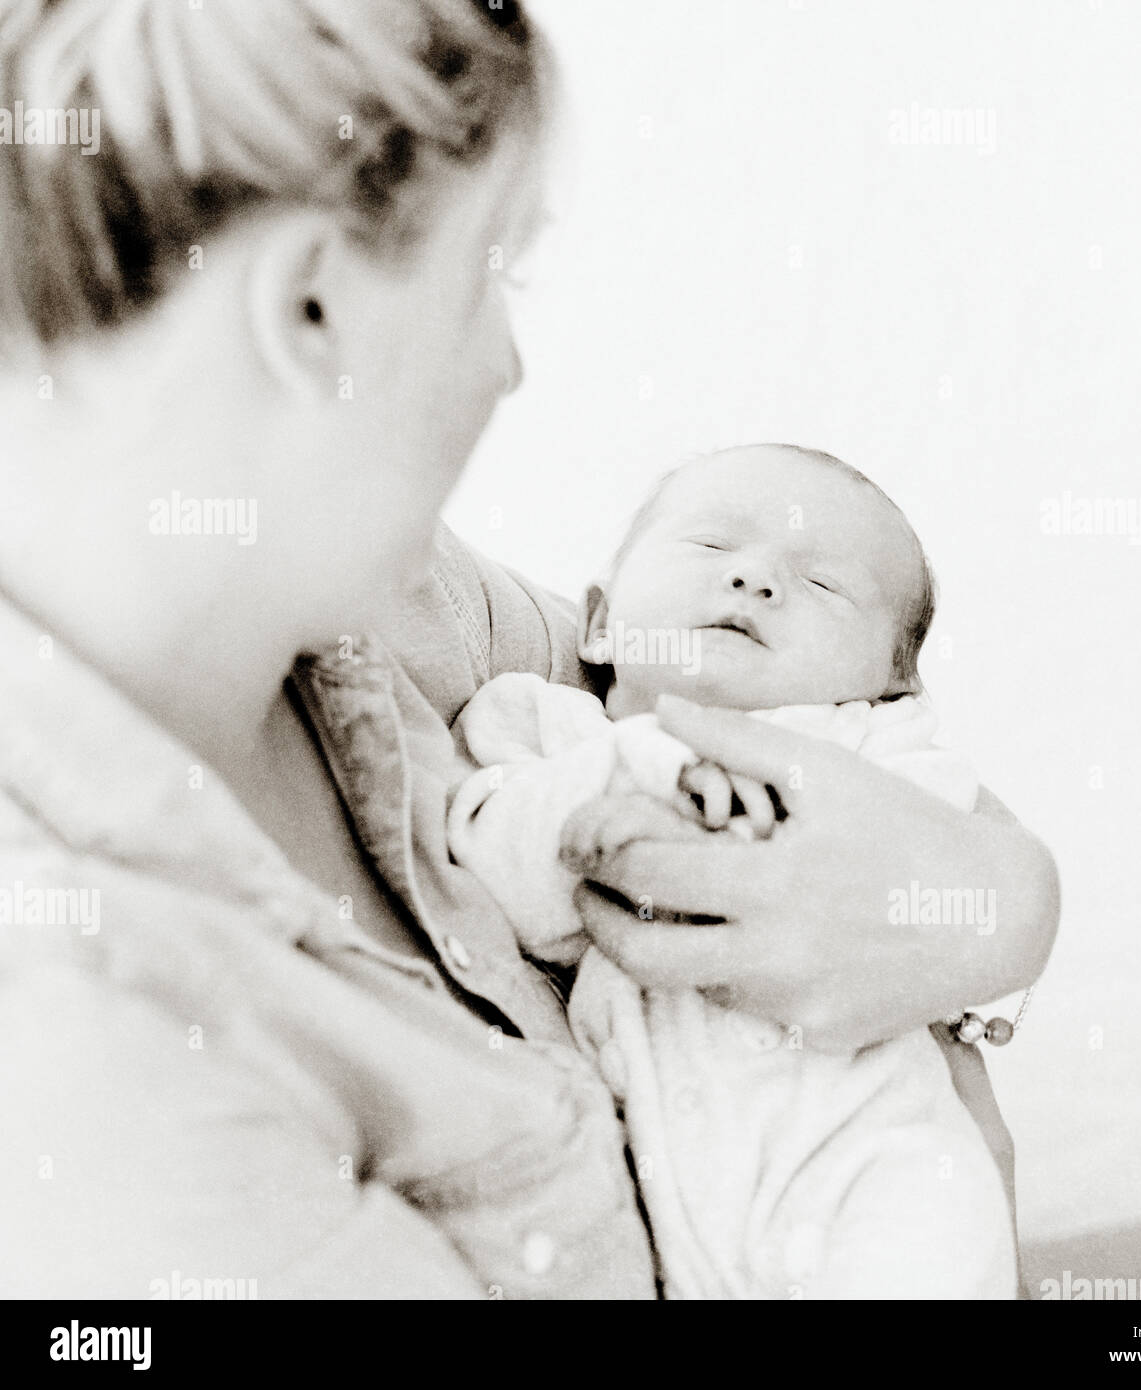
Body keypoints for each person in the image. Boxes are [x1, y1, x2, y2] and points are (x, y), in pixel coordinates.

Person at [0, 0, 1057, 1297]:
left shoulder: (383, 597)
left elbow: (801, 722)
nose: (511, 363)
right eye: (490, 270)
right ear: (310, 305)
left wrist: (995, 912)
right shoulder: (92, 1046)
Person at [447, 444, 1024, 1298]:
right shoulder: (542, 729)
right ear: (601, 622)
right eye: (713, 547)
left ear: (889, 687)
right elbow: (491, 870)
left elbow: (963, 890)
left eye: (825, 585)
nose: (756, 581)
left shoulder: (876, 758)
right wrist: (622, 783)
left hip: (872, 1152)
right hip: (661, 1189)